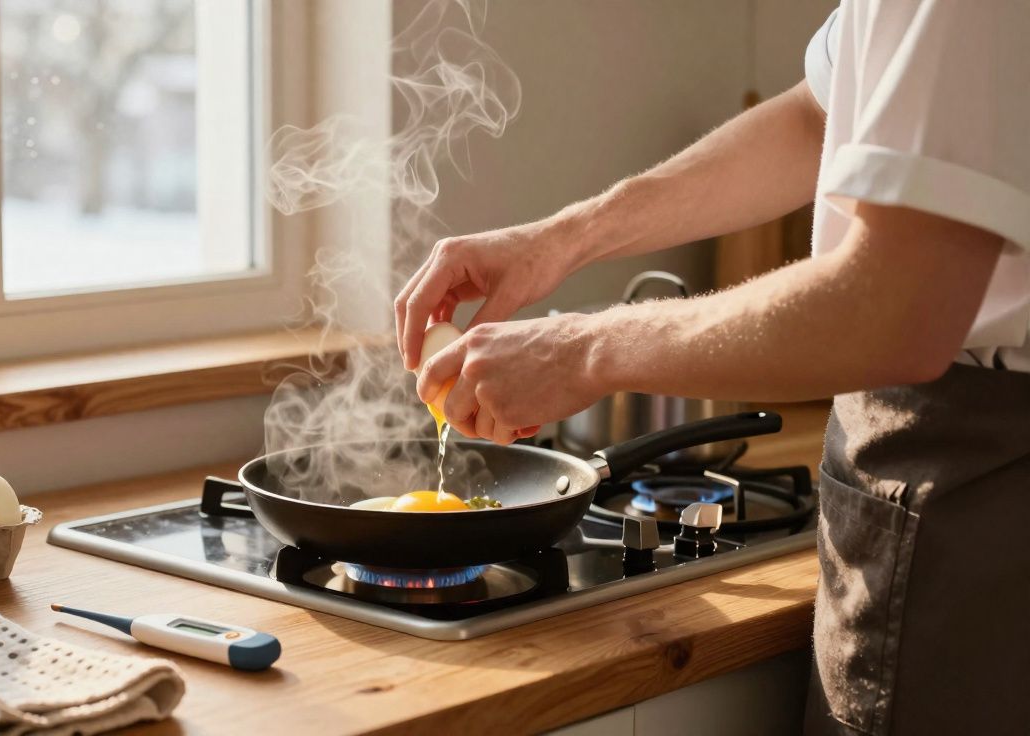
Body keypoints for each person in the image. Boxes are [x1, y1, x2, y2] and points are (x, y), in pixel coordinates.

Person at [394, 3, 1029, 734]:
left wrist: (585, 348)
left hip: (983, 508)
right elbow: (820, 122)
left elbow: (896, 307)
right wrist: (563, 238)